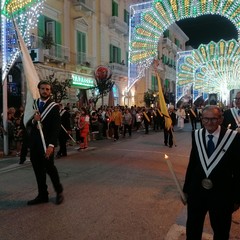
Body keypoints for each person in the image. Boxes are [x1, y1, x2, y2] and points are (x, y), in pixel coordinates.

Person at [183, 105, 240, 240]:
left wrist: (238, 197)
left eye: (214, 119)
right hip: (197, 192)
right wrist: (186, 189)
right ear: (201, 120)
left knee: (221, 231)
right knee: (193, 228)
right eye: (206, 119)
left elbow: (238, 169)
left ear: (221, 119)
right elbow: (192, 164)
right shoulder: (196, 135)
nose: (209, 122)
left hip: (222, 194)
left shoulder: (233, 137)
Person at [26, 80, 64, 205]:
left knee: (50, 169)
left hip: (47, 144)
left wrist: (51, 145)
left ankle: (59, 191)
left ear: (50, 91)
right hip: (35, 144)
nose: (45, 91)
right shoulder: (34, 104)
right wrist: (33, 121)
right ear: (39, 90)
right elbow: (27, 123)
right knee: (38, 171)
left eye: (47, 89)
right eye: (43, 89)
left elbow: (56, 128)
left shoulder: (54, 107)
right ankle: (43, 195)